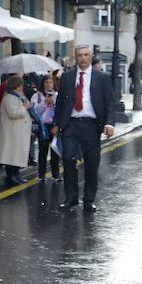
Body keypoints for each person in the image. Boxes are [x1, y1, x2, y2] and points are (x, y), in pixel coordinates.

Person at [53, 44, 118, 212]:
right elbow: (60, 102)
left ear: (90, 57)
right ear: (75, 57)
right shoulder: (67, 77)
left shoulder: (102, 78)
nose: (82, 58)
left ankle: (89, 200)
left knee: (91, 163)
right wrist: (56, 123)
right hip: (70, 125)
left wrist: (109, 123)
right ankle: (71, 199)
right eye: (79, 55)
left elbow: (110, 103)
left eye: (85, 55)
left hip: (91, 126)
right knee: (68, 160)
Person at [0, 77, 32, 185]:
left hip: (18, 131)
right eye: (20, 85)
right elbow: (14, 113)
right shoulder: (9, 98)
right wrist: (24, 107)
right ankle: (11, 176)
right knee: (11, 154)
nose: (22, 87)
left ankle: (16, 175)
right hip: (12, 131)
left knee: (17, 154)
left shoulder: (18, 96)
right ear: (16, 86)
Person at [30, 74, 61, 182]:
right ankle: (41, 174)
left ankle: (56, 174)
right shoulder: (37, 96)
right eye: (46, 82)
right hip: (43, 125)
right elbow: (35, 111)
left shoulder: (57, 95)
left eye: (51, 82)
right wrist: (45, 103)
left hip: (54, 125)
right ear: (43, 84)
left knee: (55, 150)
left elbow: (62, 109)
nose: (49, 85)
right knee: (43, 150)